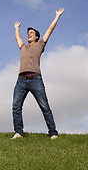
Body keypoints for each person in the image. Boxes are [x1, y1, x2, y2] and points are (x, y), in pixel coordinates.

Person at [11, 8, 64, 140]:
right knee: (16, 107)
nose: (28, 34)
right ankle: (18, 133)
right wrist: (17, 28)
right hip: (21, 80)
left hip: (35, 79)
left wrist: (57, 16)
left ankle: (53, 133)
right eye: (28, 33)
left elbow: (50, 30)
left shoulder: (40, 44)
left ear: (37, 37)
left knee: (44, 106)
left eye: (31, 33)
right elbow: (18, 37)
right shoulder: (23, 47)